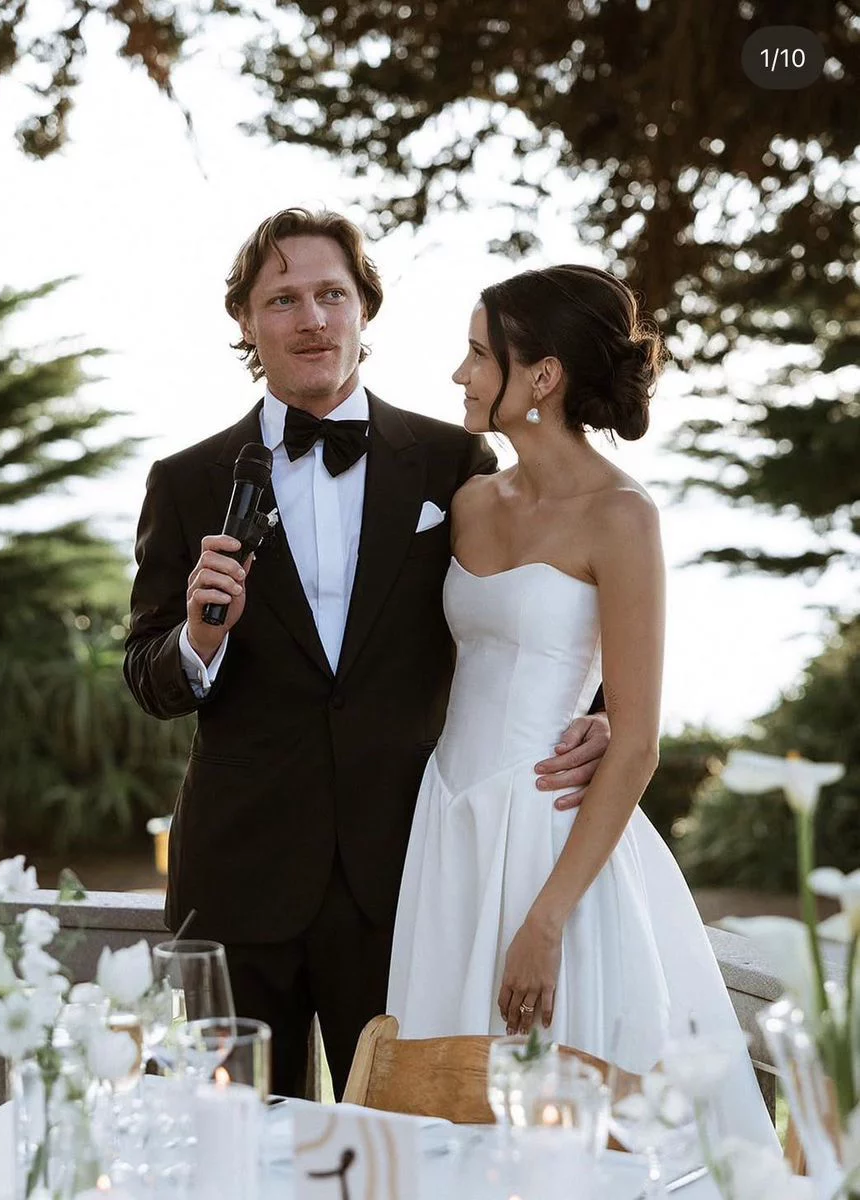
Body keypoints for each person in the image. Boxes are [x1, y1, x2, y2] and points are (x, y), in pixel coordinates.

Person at [123, 209, 611, 1099]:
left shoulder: (452, 458)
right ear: (245, 321)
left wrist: (606, 712)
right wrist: (199, 636)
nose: (310, 319)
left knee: (397, 1144)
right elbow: (147, 678)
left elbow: (560, 590)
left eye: (330, 294)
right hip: (239, 879)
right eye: (282, 299)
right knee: (235, 1150)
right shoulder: (186, 479)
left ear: (363, 310)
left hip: (409, 875)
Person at [385, 264, 777, 1145]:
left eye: (479, 355)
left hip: (551, 841)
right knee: (439, 1101)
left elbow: (637, 743)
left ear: (543, 376)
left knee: (566, 1117)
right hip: (449, 830)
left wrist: (546, 919)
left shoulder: (623, 517)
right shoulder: (473, 502)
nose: (460, 374)